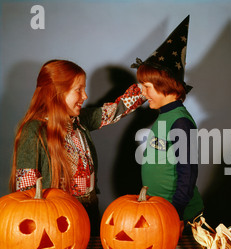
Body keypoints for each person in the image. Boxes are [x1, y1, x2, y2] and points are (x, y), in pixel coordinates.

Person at [9, 59, 146, 235]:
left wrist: (145, 89)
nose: (85, 96)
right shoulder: (34, 130)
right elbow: (26, 190)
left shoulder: (80, 121)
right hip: (57, 222)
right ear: (56, 92)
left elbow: (114, 110)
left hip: (89, 215)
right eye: (78, 90)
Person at [131, 16, 204, 232]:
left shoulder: (180, 122)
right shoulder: (163, 117)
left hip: (179, 216)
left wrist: (176, 213)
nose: (143, 93)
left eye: (146, 87)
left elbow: (188, 172)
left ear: (164, 85)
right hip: (160, 210)